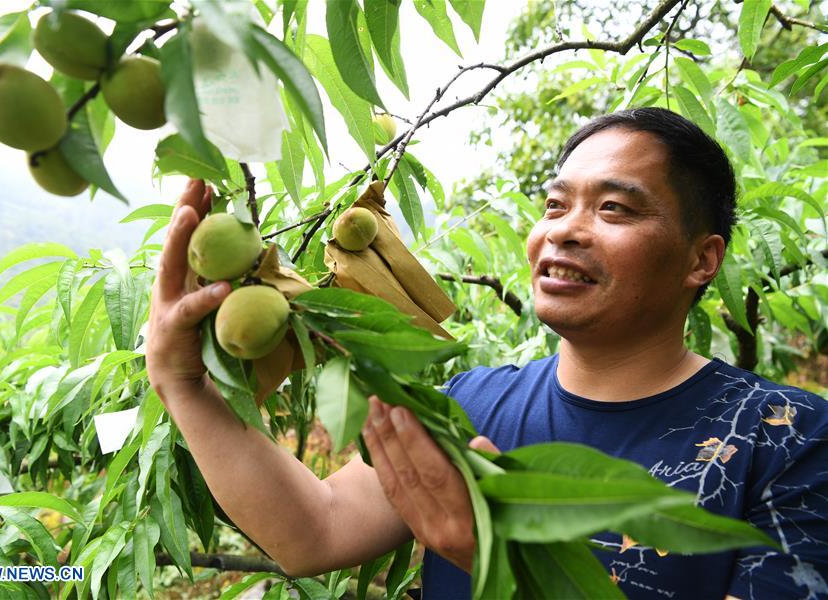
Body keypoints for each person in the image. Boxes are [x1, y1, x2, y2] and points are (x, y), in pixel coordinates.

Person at [146, 107, 828, 600]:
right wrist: (182, 381)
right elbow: (312, 532)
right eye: (556, 205)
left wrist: (497, 560)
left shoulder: (788, 439)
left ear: (701, 259)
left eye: (615, 209)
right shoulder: (471, 404)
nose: (566, 232)